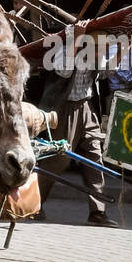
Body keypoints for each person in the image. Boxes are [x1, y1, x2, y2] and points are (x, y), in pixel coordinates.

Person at [38, 25, 118, 227]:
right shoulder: (66, 50)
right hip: (64, 109)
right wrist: (76, 40)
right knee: (57, 159)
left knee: (94, 157)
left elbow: (108, 70)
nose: (101, 52)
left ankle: (97, 213)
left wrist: (124, 47)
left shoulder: (97, 56)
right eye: (98, 48)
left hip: (87, 108)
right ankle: (35, 205)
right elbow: (63, 71)